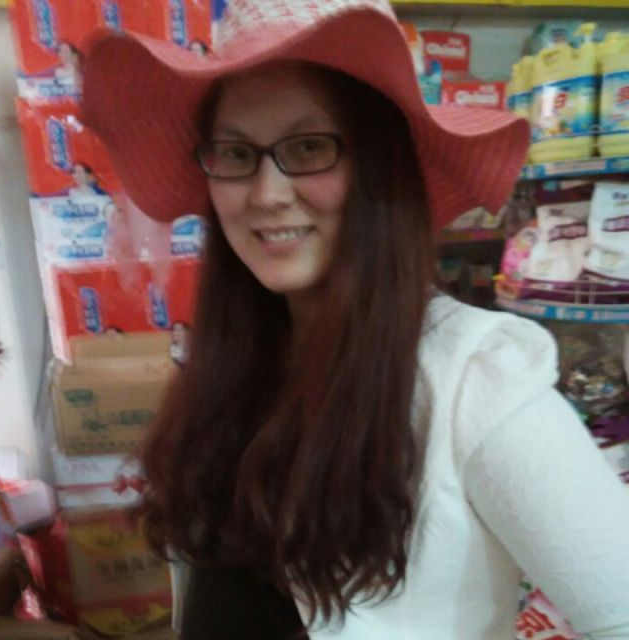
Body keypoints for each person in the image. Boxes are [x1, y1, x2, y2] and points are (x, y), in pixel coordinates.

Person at [80, 1, 629, 638]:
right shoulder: (236, 361)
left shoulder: (475, 379)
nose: (266, 194)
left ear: (378, 165)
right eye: (235, 153)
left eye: (309, 146)